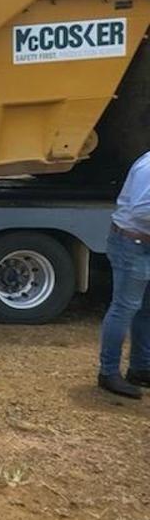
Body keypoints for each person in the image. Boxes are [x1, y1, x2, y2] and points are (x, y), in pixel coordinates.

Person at [96, 149, 150, 399]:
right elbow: (142, 211)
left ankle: (141, 368)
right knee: (125, 307)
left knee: (145, 308)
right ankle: (108, 372)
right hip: (133, 244)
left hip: (140, 242)